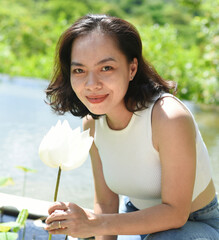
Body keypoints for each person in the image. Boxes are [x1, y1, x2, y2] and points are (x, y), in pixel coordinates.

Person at [44, 14, 219, 240]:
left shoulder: (168, 117)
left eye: (106, 68)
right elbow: (106, 204)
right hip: (135, 218)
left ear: (132, 68)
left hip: (197, 224)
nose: (91, 84)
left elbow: (176, 213)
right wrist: (94, 225)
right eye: (79, 70)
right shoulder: (92, 125)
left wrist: (93, 224)